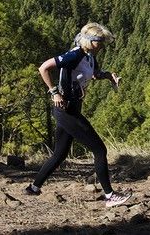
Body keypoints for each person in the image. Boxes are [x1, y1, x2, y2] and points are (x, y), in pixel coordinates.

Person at [24, 22, 132, 208]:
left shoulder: (89, 56)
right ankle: (109, 196)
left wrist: (109, 76)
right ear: (89, 41)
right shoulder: (74, 55)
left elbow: (94, 74)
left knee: (59, 154)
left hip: (73, 108)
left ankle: (33, 188)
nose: (102, 45)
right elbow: (44, 68)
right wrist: (54, 92)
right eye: (99, 41)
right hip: (66, 110)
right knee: (100, 150)